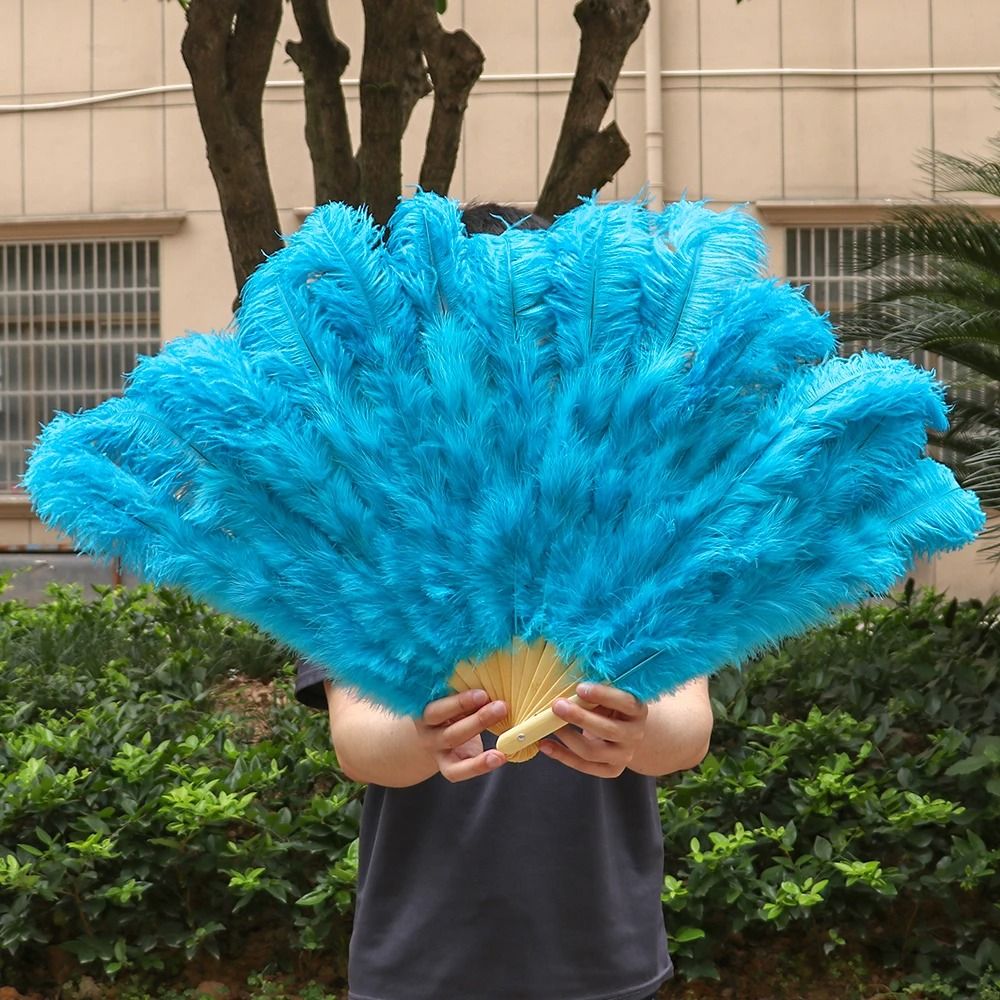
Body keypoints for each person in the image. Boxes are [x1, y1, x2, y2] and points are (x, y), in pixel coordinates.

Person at [293, 202, 716, 1000]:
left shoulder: (639, 528)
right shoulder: (372, 529)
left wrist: (636, 733)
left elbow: (687, 730)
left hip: (602, 958)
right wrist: (423, 738)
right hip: (420, 962)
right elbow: (358, 743)